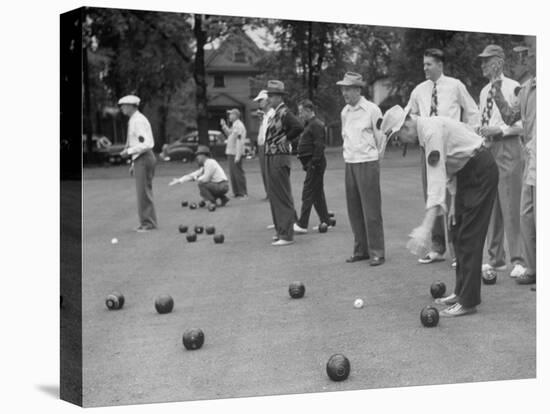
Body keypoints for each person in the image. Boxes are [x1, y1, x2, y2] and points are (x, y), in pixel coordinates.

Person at [381, 105, 498, 317]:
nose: (400, 142)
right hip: (466, 174)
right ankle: (461, 292)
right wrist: (453, 204)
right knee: (457, 232)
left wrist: (426, 228)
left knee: (469, 236)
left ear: (406, 125)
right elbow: (449, 168)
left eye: (398, 137)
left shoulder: (430, 132)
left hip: (480, 172)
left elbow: (435, 181)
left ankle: (468, 302)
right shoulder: (428, 131)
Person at [407, 48, 479, 266]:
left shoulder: (455, 85)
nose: (425, 68)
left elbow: (473, 111)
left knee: (454, 200)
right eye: (423, 64)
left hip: (452, 152)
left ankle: (457, 251)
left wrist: (470, 135)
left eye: (429, 64)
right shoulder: (419, 90)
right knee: (432, 194)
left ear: (440, 64)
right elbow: (407, 115)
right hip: (428, 150)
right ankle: (438, 247)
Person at [477, 45, 524, 281]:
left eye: (487, 60)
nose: (483, 65)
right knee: (492, 206)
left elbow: (524, 124)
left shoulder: (514, 86)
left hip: (509, 146)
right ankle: (496, 258)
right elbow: (481, 117)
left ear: (500, 61)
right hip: (489, 149)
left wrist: (500, 130)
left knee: (511, 205)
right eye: (482, 61)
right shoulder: (484, 90)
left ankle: (519, 260)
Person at [492, 41, 536, 286]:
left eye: (523, 57)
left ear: (534, 59)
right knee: (527, 216)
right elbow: (510, 116)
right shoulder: (527, 88)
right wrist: (497, 92)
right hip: (532, 160)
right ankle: (532, 268)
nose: (518, 63)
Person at [337, 72, 385, 266]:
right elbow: (345, 137)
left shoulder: (372, 110)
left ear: (358, 89)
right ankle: (361, 250)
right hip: (350, 162)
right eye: (343, 89)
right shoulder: (344, 112)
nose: (344, 93)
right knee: (354, 210)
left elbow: (381, 138)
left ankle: (377, 252)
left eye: (347, 89)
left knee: (371, 210)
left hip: (368, 162)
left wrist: (375, 161)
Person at [264, 80, 304, 246]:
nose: (269, 99)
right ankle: (281, 230)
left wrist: (285, 139)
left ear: (279, 97)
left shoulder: (285, 112)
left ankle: (286, 235)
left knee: (282, 195)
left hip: (280, 157)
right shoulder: (276, 113)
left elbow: (298, 127)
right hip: (272, 156)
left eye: (271, 96)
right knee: (275, 196)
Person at [118, 95, 158, 232]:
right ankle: (146, 222)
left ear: (131, 106)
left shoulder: (138, 121)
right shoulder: (134, 120)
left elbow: (146, 143)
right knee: (143, 191)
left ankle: (148, 224)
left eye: (124, 105)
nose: (122, 108)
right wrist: (133, 163)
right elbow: (138, 143)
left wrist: (129, 151)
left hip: (144, 157)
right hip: (141, 158)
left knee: (143, 192)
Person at [293, 99, 332, 233]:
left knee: (308, 192)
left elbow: (319, 146)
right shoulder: (309, 124)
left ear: (309, 110)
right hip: (312, 164)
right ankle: (326, 220)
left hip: (316, 164)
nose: (300, 115)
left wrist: (314, 164)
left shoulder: (316, 124)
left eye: (301, 112)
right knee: (317, 193)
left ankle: (302, 224)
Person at [221, 108, 248, 199]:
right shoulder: (234, 125)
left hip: (235, 153)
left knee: (238, 173)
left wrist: (238, 155)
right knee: (233, 173)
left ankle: (243, 193)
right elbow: (229, 134)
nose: (229, 116)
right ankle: (237, 192)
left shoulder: (239, 126)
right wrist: (224, 126)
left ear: (236, 115)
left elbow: (240, 141)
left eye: (231, 114)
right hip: (230, 152)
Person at [253, 90, 273, 200]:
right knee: (264, 171)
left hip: (268, 145)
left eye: (261, 100)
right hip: (262, 146)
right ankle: (268, 193)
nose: (259, 103)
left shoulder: (272, 114)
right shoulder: (264, 116)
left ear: (267, 100)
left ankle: (272, 193)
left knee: (269, 171)